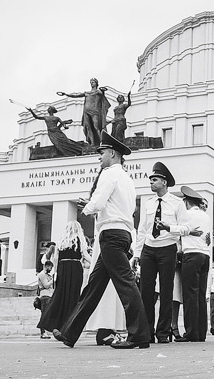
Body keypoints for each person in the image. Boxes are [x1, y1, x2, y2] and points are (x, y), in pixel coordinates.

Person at [53, 130, 153, 349]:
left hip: (111, 234)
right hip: (123, 233)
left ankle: (139, 336)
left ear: (113, 154)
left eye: (102, 152)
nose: (99, 156)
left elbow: (97, 203)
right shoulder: (127, 179)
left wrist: (86, 208)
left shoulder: (109, 174)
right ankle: (70, 332)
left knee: (125, 285)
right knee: (93, 287)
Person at [134, 161, 195, 343]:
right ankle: (147, 332)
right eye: (151, 179)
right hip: (149, 249)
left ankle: (163, 333)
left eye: (155, 179)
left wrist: (169, 228)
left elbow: (187, 227)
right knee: (146, 292)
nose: (151, 182)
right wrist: (137, 254)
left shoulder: (177, 203)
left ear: (165, 182)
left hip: (167, 248)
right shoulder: (149, 203)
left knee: (166, 292)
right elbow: (142, 229)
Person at [38, 222, 90, 337]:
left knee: (60, 297)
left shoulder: (62, 241)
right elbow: (85, 255)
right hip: (75, 268)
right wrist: (96, 263)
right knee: (74, 298)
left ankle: (55, 324)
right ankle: (69, 328)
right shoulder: (79, 240)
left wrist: (56, 273)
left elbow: (56, 259)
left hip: (62, 269)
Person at [175, 186, 211, 342]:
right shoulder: (206, 216)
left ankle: (191, 332)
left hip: (191, 255)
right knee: (201, 295)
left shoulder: (186, 215)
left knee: (190, 295)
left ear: (186, 202)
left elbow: (178, 230)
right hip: (205, 256)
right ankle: (201, 332)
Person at [57, 78, 110, 147]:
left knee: (96, 126)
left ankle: (101, 142)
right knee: (88, 127)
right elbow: (76, 96)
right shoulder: (87, 93)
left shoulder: (98, 92)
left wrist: (102, 90)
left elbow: (102, 95)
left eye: (93, 82)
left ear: (96, 83)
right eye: (91, 82)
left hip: (94, 111)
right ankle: (92, 143)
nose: (92, 83)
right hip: (86, 111)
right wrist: (66, 94)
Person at [36, 260, 55, 338]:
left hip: (49, 295)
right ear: (46, 266)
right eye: (50, 267)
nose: (51, 269)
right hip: (44, 296)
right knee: (44, 314)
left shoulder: (48, 275)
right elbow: (46, 285)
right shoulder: (42, 274)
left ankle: (46, 331)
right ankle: (43, 332)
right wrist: (53, 280)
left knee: (48, 314)